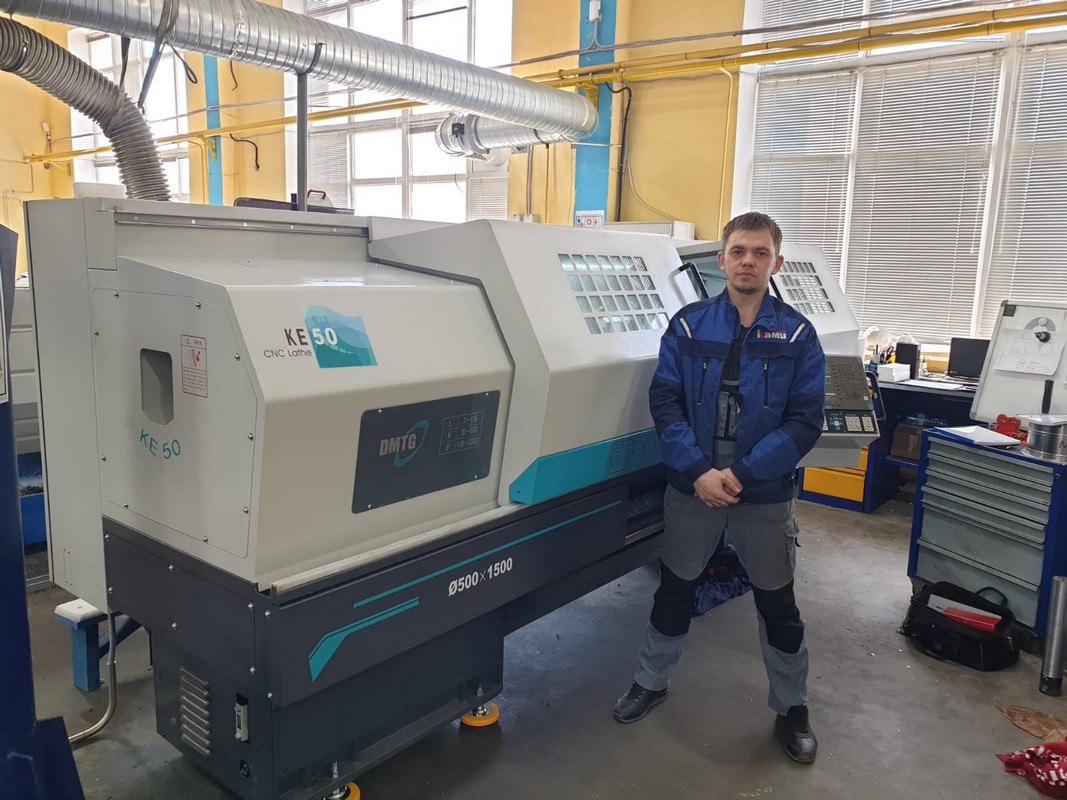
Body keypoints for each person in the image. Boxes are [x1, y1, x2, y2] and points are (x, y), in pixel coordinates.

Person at [613, 212, 827, 764]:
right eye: (738, 251)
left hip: (763, 491)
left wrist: (743, 474)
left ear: (776, 262)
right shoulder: (688, 326)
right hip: (695, 486)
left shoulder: (798, 335)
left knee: (778, 604)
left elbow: (805, 420)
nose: (748, 261)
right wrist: (697, 471)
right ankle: (650, 682)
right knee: (674, 590)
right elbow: (666, 402)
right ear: (722, 259)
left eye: (760, 252)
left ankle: (793, 707)